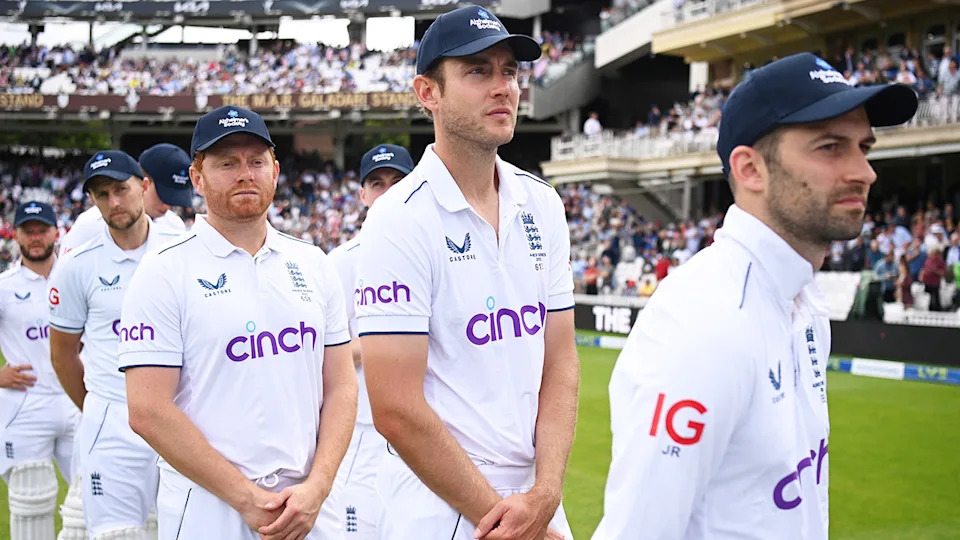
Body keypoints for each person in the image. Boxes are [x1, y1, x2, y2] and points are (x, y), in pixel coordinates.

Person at [593, 52, 917, 539]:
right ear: (750, 170)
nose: (865, 172)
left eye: (863, 148)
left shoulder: (806, 303)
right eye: (831, 147)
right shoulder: (704, 321)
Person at [355, 6, 578, 539]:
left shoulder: (542, 204)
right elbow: (395, 408)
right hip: (441, 506)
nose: (502, 87)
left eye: (510, 71)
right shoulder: (397, 218)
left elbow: (561, 361)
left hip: (536, 502)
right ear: (427, 93)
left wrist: (546, 495)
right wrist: (506, 519)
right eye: (478, 71)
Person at [118, 105, 357, 540]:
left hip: (311, 507)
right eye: (226, 163)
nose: (245, 173)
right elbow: (147, 410)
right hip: (210, 507)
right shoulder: (162, 272)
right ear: (197, 177)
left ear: (275, 170)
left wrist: (319, 486)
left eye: (256, 161)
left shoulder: (313, 263)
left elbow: (341, 385)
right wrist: (246, 497)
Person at [48, 149, 181, 539]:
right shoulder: (77, 265)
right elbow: (62, 355)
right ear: (91, 200)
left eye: (121, 189)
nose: (114, 202)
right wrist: (100, 405)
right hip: (111, 420)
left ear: (143, 186)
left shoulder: (180, 250)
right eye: (102, 195)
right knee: (116, 534)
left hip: (179, 413)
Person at [323, 143, 413, 538]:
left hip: (428, 433)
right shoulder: (339, 264)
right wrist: (386, 339)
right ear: (362, 194)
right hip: (363, 434)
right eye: (377, 184)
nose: (387, 192)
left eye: (398, 182)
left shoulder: (441, 254)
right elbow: (325, 355)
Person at [0, 202, 79, 540]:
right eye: (28, 230)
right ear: (15, 234)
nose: (35, 238)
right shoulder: (4, 285)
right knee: (28, 502)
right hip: (25, 404)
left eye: (42, 229)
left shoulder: (77, 275)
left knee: (90, 499)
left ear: (55, 232)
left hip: (79, 401)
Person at [59, 143, 193, 255]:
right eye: (163, 195)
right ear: (144, 184)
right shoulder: (89, 225)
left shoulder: (174, 225)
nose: (167, 206)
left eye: (174, 201)